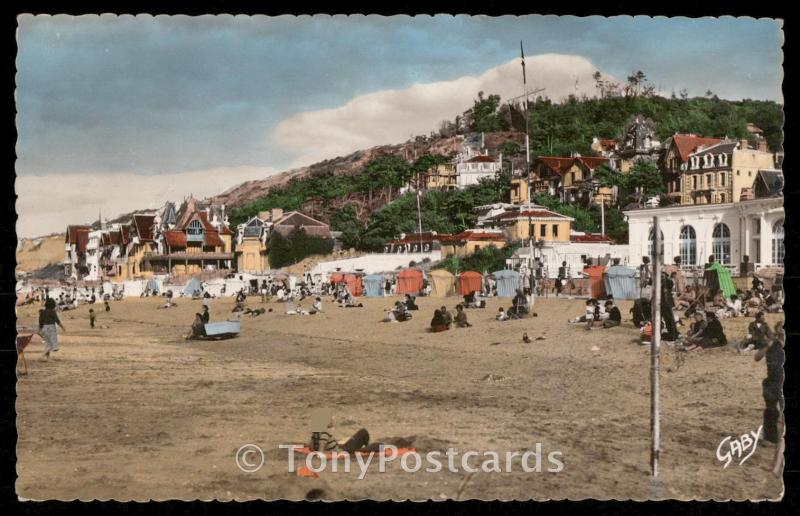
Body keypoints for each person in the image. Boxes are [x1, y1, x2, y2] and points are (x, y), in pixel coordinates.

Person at [755, 320, 785, 476]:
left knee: (781, 419)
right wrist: (767, 345)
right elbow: (756, 357)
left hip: (781, 382)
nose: (780, 334)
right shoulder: (771, 345)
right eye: (779, 331)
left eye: (782, 332)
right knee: (770, 411)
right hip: (771, 382)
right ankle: (770, 438)